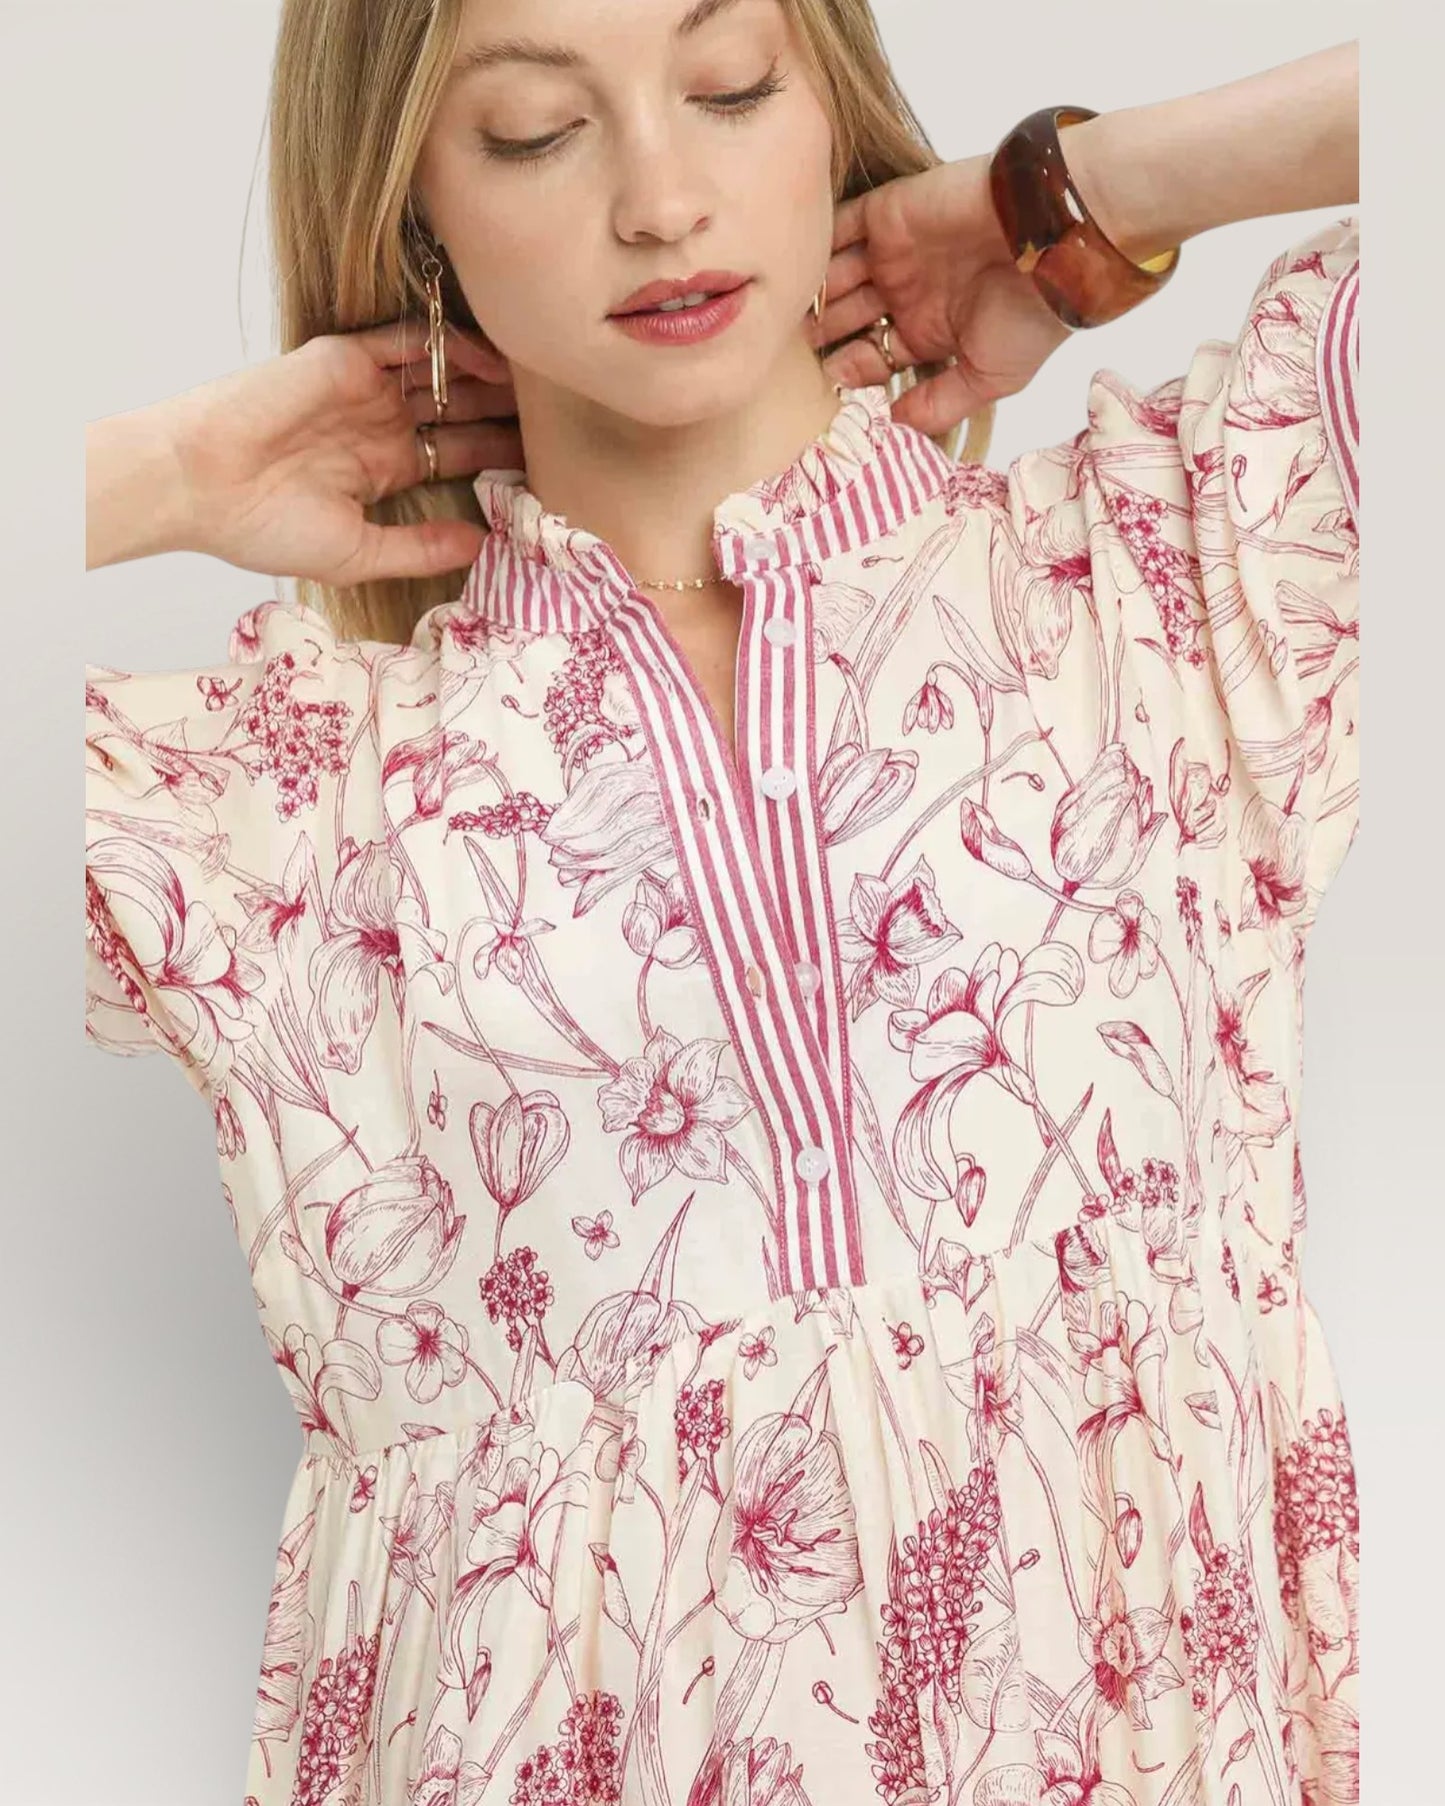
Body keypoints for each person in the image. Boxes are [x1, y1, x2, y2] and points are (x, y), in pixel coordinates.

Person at [83, 3, 1360, 1801]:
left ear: (824, 107)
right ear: (416, 211)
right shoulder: (280, 801)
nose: (662, 199)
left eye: (732, 88)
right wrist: (157, 477)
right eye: (536, 132)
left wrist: (1070, 195)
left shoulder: (1161, 578)